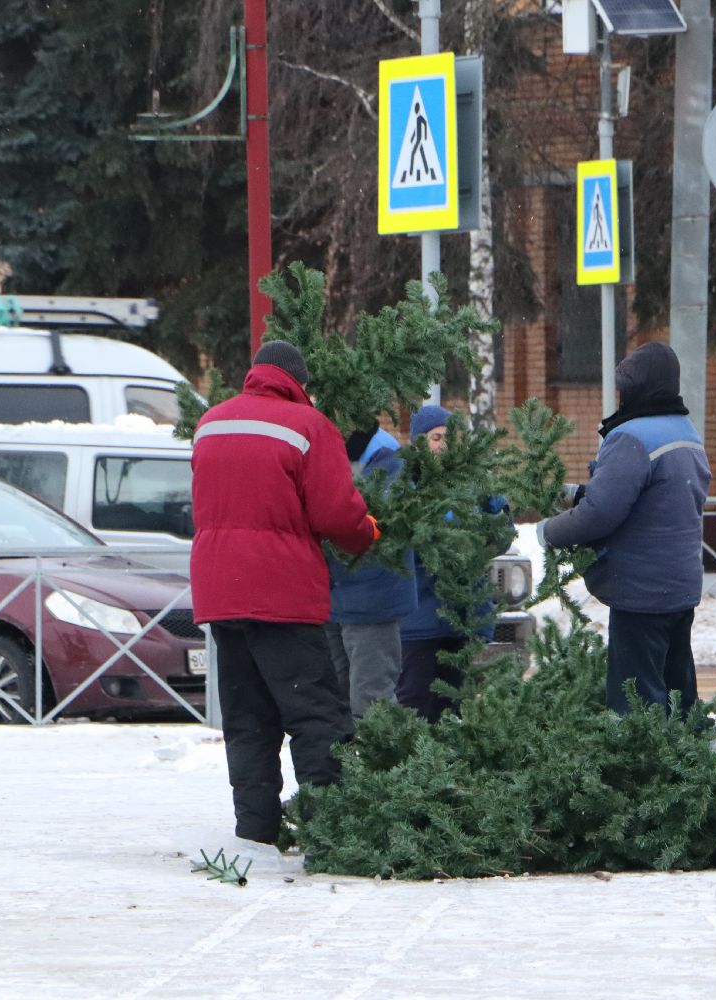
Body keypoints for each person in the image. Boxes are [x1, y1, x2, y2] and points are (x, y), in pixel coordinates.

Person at [190, 339, 379, 847]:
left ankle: (254, 832)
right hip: (282, 595)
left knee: (247, 718)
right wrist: (367, 533)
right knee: (317, 715)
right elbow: (336, 514)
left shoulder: (212, 422)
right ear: (299, 381)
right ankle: (330, 831)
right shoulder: (308, 427)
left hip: (221, 593)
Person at [539, 342, 711, 714]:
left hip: (641, 592)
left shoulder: (632, 436)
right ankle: (689, 767)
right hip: (679, 587)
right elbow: (659, 499)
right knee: (677, 693)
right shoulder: (685, 431)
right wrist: (582, 493)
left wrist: (545, 533)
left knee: (636, 702)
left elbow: (601, 514)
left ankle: (642, 771)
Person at [395, 404, 512, 722]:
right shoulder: (405, 484)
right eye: (435, 437)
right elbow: (408, 538)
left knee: (452, 705)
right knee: (415, 700)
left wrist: (491, 519)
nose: (444, 444)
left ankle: (446, 768)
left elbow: (501, 535)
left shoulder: (474, 483)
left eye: (450, 436)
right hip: (420, 619)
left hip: (463, 616)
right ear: (418, 442)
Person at [325, 423, 417, 720]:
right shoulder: (328, 446)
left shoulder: (385, 456)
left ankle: (380, 765)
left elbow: (381, 519)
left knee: (371, 701)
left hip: (372, 599)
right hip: (333, 597)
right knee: (334, 701)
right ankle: (343, 767)